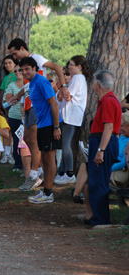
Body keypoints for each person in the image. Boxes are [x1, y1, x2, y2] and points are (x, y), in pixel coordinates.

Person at [8, 38, 68, 192]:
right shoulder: (31, 78)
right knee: (28, 139)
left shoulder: (37, 60)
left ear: (22, 48)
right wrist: (19, 96)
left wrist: (63, 87)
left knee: (39, 146)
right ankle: (40, 172)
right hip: (30, 107)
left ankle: (36, 174)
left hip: (41, 111)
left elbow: (57, 67)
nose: (14, 58)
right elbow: (28, 85)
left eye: (15, 54)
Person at [19, 56, 61, 204]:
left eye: (27, 69)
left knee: (49, 159)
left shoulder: (42, 81)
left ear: (35, 69)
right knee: (45, 158)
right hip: (42, 125)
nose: (25, 72)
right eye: (22, 70)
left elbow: (54, 104)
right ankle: (45, 191)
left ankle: (48, 194)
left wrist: (56, 127)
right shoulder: (31, 83)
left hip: (50, 125)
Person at [87, 70, 122, 227]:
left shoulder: (108, 101)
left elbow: (108, 128)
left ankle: (101, 220)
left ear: (98, 84)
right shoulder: (108, 100)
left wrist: (101, 150)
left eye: (94, 83)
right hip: (102, 141)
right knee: (96, 181)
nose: (93, 86)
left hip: (104, 143)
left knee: (99, 182)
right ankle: (97, 217)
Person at [54, 55, 89, 185]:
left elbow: (67, 96)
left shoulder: (77, 78)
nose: (69, 67)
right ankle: (63, 171)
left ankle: (69, 173)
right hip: (70, 115)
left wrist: (62, 91)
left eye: (71, 65)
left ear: (79, 67)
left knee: (65, 144)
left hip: (71, 115)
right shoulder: (78, 79)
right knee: (65, 144)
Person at [5, 65, 25, 171]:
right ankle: (18, 164)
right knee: (16, 139)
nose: (17, 72)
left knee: (28, 141)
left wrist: (16, 97)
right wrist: (21, 94)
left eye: (20, 70)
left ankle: (27, 163)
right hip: (14, 116)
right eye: (16, 71)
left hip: (27, 117)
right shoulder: (11, 85)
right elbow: (8, 99)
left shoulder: (29, 84)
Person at [110, 113, 129, 187]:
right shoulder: (122, 137)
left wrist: (108, 168)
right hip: (114, 165)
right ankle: (78, 195)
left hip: (121, 170)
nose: (120, 128)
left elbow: (123, 163)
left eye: (122, 126)